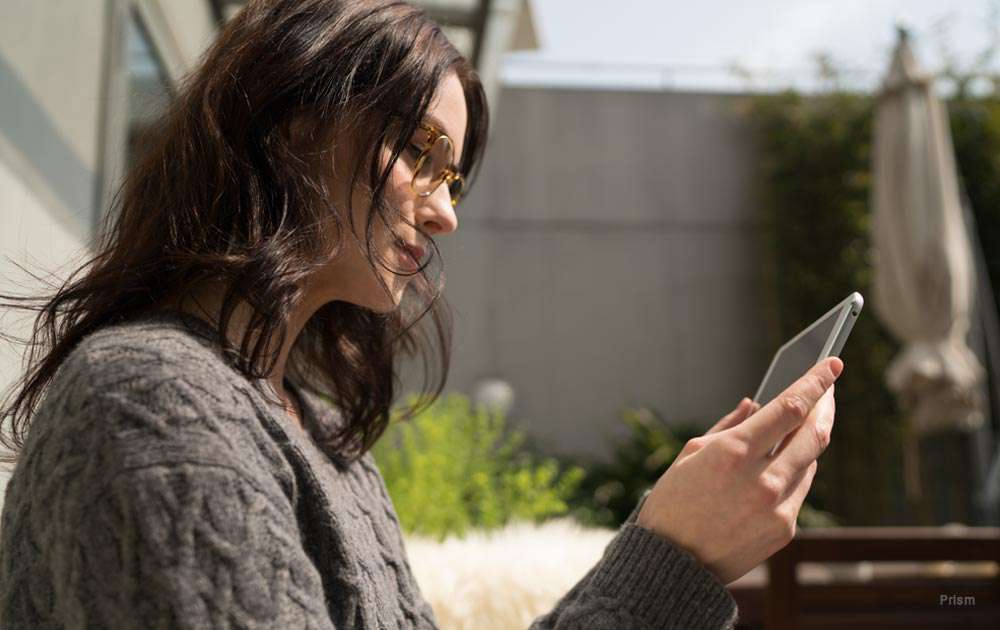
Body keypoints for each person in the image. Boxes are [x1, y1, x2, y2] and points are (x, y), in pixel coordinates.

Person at [0, 0, 842, 627]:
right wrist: (673, 552)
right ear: (291, 120)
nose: (446, 216)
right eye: (421, 154)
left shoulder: (320, 435)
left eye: (456, 179)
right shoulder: (153, 402)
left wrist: (677, 552)